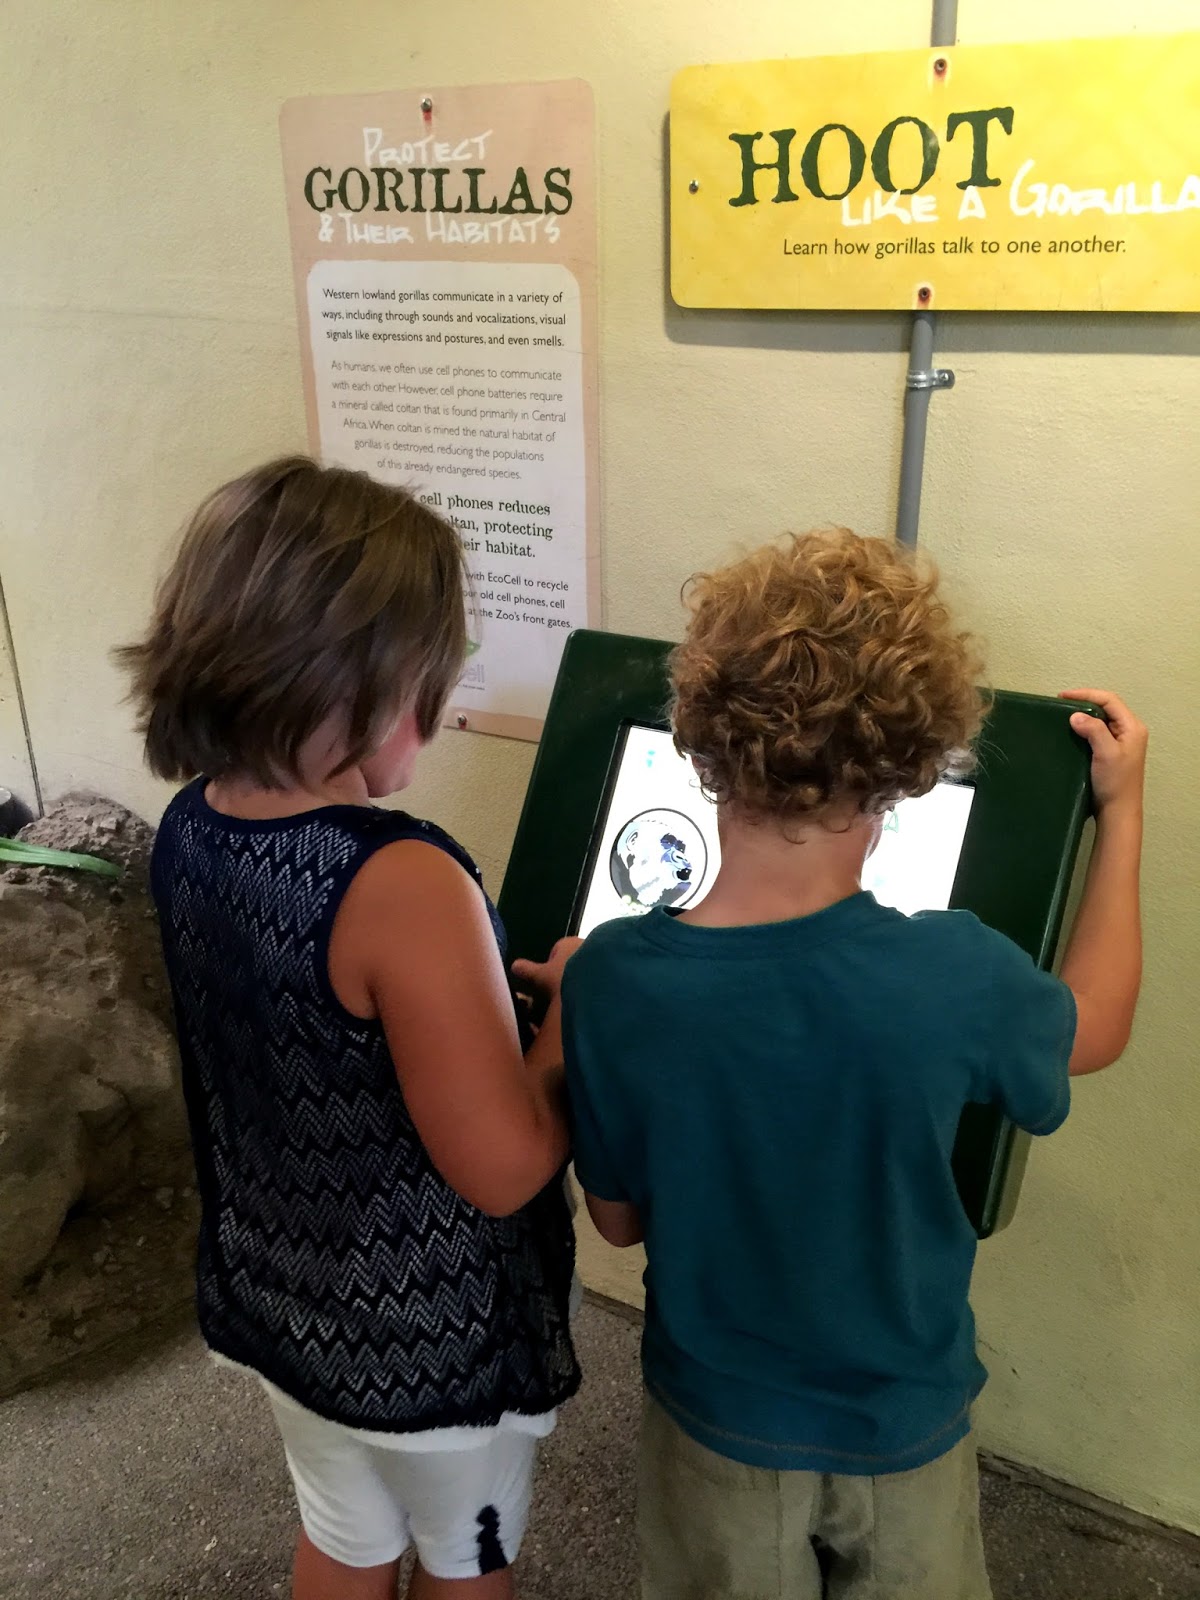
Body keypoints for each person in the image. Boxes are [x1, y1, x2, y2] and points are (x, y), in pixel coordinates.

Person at [557, 529, 1146, 1600]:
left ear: (699, 736)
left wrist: (580, 1004)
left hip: (715, 1423)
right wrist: (1124, 812)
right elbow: (1096, 1025)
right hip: (904, 1427)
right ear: (907, 771)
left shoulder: (609, 978)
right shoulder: (955, 972)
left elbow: (618, 1220)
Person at [116, 456, 581, 1600]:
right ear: (359, 683)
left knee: (345, 1532)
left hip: (285, 1302)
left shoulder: (188, 825)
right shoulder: (405, 881)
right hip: (431, 1343)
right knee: (466, 1555)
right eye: (436, 671)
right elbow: (503, 1165)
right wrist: (571, 1018)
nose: (444, 701)